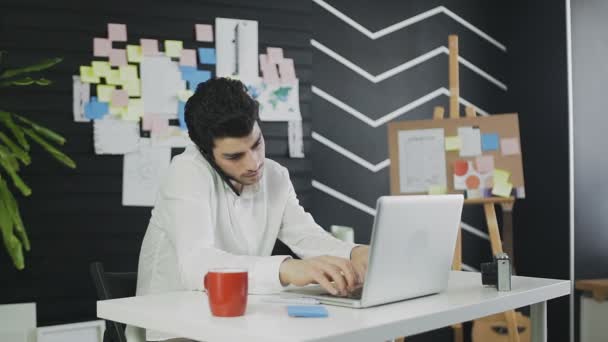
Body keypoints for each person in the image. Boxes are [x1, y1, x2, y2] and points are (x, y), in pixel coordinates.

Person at [134, 77, 370, 342]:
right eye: (234, 156)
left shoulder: (275, 176)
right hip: (174, 328)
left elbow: (306, 236)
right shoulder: (186, 172)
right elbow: (196, 264)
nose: (254, 163)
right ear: (205, 152)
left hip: (236, 321)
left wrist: (354, 252)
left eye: (256, 144)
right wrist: (287, 269)